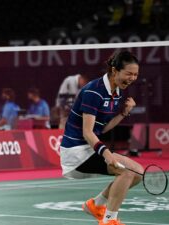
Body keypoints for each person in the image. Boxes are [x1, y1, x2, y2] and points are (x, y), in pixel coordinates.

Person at [60, 50, 143, 225]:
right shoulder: (94, 91)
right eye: (129, 73)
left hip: (89, 148)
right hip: (76, 151)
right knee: (126, 172)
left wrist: (123, 113)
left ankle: (96, 205)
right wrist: (107, 154)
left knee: (138, 172)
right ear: (114, 71)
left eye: (135, 74)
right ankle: (109, 220)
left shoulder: (117, 92)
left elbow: (101, 128)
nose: (132, 78)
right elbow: (87, 132)